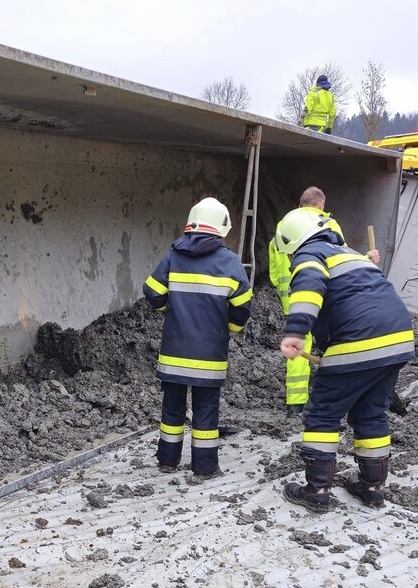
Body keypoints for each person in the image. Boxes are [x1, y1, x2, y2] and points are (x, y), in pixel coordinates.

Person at [277, 208, 414, 511]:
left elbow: (309, 287)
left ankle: (316, 492)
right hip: (398, 340)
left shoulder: (310, 254)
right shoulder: (350, 254)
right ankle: (372, 488)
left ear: (293, 241)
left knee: (322, 415)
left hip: (357, 342)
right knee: (371, 414)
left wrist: (296, 331)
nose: (289, 261)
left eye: (288, 255)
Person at [143, 198, 252, 477]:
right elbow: (242, 309)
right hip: (209, 356)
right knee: (206, 412)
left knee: (172, 410)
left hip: (173, 354)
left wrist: (171, 310)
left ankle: (167, 462)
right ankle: (204, 468)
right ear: (221, 227)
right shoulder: (230, 263)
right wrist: (229, 328)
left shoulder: (173, 255)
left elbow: (152, 291)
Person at [268, 187, 381, 415]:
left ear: (300, 204)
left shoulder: (284, 226)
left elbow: (273, 270)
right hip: (322, 294)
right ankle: (338, 396)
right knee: (336, 342)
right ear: (320, 205)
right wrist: (368, 259)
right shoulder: (327, 224)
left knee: (299, 343)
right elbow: (340, 261)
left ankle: (295, 403)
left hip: (292, 296)